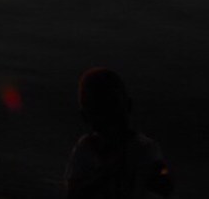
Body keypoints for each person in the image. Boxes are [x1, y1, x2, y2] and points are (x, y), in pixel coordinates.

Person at [63, 67, 173, 198]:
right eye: (101, 112)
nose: (109, 119)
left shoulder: (143, 150)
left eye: (113, 110)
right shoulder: (144, 149)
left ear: (85, 116)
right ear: (129, 106)